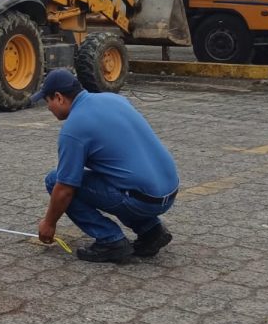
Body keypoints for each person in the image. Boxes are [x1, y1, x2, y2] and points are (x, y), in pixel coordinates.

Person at [33, 69, 180, 264]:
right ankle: (151, 231)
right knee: (117, 177)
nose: (48, 108)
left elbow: (65, 190)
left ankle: (111, 241)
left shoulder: (74, 129)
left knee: (54, 181)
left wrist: (49, 223)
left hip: (142, 199)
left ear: (59, 98)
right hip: (168, 190)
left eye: (47, 101)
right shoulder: (113, 99)